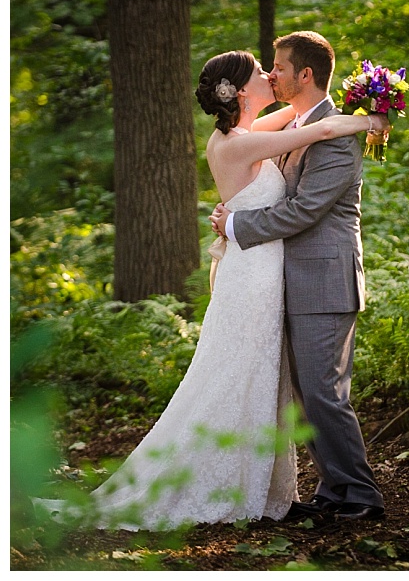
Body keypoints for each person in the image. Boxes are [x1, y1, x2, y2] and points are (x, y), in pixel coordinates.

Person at [34, 50, 378, 530]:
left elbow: (305, 121)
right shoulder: (240, 143)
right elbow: (317, 131)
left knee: (276, 384)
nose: (269, 74)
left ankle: (308, 489)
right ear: (239, 91)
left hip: (273, 273)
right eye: (261, 71)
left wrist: (363, 108)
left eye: (275, 67)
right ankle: (253, 484)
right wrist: (371, 120)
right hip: (254, 276)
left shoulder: (250, 132)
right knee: (247, 379)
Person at [210, 31, 388, 522]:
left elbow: (305, 210)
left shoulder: (335, 135)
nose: (272, 74)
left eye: (280, 67)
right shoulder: (298, 125)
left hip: (325, 282)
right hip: (288, 281)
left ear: (304, 74)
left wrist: (237, 224)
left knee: (325, 393)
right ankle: (334, 489)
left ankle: (360, 494)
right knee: (307, 396)